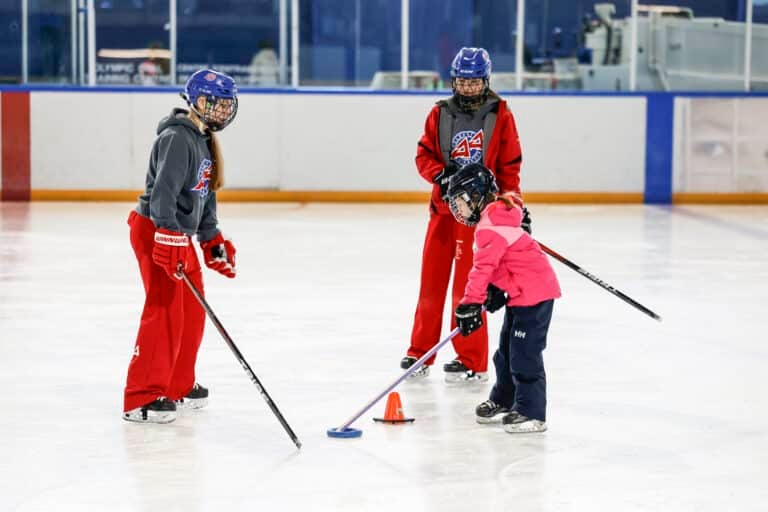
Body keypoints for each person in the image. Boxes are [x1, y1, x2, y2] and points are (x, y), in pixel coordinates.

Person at [401, 47, 531, 383]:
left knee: (468, 288)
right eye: (463, 80)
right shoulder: (440, 113)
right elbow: (423, 155)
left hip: (479, 216)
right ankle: (421, 352)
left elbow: (509, 164)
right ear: (453, 80)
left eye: (474, 82)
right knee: (431, 285)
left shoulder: (500, 113)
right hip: (443, 211)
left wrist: (510, 202)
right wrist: (440, 176)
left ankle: (471, 358)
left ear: (485, 80)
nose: (469, 87)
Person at [123, 69, 239, 423]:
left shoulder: (204, 141)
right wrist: (168, 233)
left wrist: (210, 238)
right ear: (194, 101)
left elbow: (205, 198)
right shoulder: (176, 137)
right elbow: (163, 195)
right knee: (164, 310)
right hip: (155, 230)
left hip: (177, 234)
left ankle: (177, 384)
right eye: (212, 102)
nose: (219, 110)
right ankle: (141, 396)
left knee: (191, 310)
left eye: (224, 104)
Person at [447, 164, 561, 433]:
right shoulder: (496, 216)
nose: (458, 210)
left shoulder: (490, 226)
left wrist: (470, 302)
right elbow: (503, 263)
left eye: (460, 202)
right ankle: (504, 399)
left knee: (525, 355)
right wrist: (497, 290)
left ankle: (532, 412)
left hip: (534, 295)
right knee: (506, 353)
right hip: (520, 294)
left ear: (476, 196)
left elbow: (482, 268)